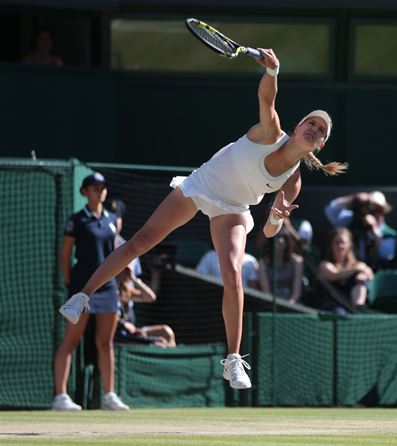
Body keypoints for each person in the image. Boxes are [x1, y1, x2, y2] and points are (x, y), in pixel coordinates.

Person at [58, 48, 347, 391]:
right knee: (141, 241)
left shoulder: (293, 182)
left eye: (321, 130)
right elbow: (267, 98)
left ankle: (233, 360)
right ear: (298, 127)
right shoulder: (271, 132)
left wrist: (276, 217)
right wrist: (273, 72)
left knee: (233, 275)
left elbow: (269, 231)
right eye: (311, 123)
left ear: (321, 145)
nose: (314, 129)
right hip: (202, 185)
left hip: (235, 209)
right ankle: (82, 296)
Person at [53, 173, 129, 411]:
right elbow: (65, 257)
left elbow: (117, 254)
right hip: (81, 289)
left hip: (108, 290)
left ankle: (109, 395)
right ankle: (60, 397)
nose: (100, 191)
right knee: (70, 342)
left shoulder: (113, 220)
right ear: (85, 191)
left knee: (105, 343)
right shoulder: (76, 220)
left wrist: (119, 282)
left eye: (103, 187)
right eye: (95, 188)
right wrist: (72, 286)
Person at [324, 191, 397, 270]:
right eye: (372, 208)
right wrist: (353, 198)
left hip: (375, 272)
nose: (376, 213)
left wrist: (374, 228)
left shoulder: (389, 233)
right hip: (350, 269)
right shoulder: (352, 220)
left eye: (379, 210)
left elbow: (386, 255)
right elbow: (330, 210)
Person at [115, 261, 176, 347]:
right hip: (122, 334)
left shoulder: (126, 291)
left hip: (135, 331)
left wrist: (134, 279)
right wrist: (122, 324)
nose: (124, 272)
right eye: (123, 269)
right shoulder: (109, 290)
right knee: (160, 343)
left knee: (166, 331)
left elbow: (151, 297)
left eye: (127, 270)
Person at [317, 228, 374, 312]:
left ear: (349, 245)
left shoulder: (357, 265)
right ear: (331, 245)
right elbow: (334, 275)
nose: (340, 246)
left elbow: (370, 274)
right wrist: (356, 269)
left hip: (351, 307)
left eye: (343, 242)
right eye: (336, 243)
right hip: (332, 308)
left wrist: (364, 275)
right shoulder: (325, 265)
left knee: (361, 282)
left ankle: (359, 309)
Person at [258, 230, 304, 304]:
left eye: (284, 238)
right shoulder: (263, 263)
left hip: (292, 305)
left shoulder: (297, 262)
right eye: (277, 238)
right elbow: (266, 291)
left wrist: (290, 303)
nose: (280, 241)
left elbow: (296, 291)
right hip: (271, 305)